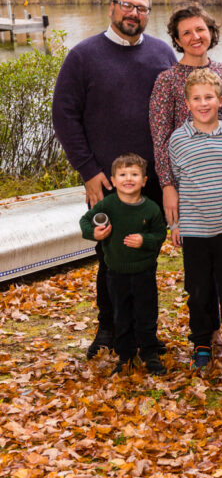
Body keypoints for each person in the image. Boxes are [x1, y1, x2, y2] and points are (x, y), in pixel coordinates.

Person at [52, 0, 176, 359]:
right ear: (111, 8)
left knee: (145, 257)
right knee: (109, 259)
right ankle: (109, 329)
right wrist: (89, 172)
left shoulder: (161, 53)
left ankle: (143, 332)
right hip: (106, 182)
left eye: (141, 8)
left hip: (152, 181)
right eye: (127, 5)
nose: (133, 13)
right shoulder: (83, 55)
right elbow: (65, 116)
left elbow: (175, 112)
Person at [168, 69, 222, 374]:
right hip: (194, 230)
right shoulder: (177, 140)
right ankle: (202, 342)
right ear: (187, 103)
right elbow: (177, 185)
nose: (204, 103)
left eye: (209, 97)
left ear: (220, 99)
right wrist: (175, 225)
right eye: (197, 98)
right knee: (199, 290)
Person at [149, 2, 222, 228]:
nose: (195, 37)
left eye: (200, 29)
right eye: (186, 33)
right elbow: (160, 140)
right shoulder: (167, 81)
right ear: (178, 41)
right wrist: (168, 186)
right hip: (190, 183)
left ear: (210, 31)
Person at [79, 154, 167, 376]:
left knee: (146, 315)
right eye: (123, 175)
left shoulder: (151, 209)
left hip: (144, 273)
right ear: (113, 180)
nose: (129, 179)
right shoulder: (108, 205)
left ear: (145, 180)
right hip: (116, 273)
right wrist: (95, 233)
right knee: (122, 316)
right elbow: (85, 222)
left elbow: (159, 234)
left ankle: (149, 354)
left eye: (135, 174)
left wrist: (144, 241)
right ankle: (126, 357)